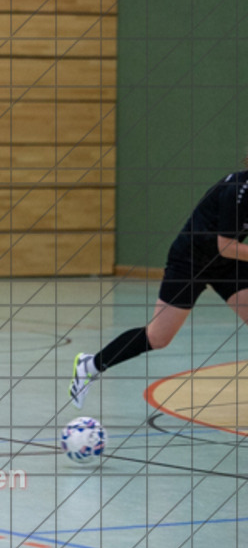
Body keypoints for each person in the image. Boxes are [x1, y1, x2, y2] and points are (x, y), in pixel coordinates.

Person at [71, 165, 248, 409]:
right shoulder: (238, 189)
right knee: (158, 337)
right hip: (190, 260)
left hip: (227, 265)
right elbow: (226, 245)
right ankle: (90, 365)